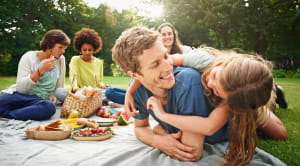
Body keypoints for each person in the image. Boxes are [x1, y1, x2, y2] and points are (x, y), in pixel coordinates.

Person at [124, 45, 288, 165]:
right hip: (230, 91)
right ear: (223, 66)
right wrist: (130, 91)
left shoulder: (231, 98)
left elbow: (208, 127)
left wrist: (162, 116)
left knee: (278, 132)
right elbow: (159, 65)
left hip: (242, 103)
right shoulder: (203, 61)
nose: (209, 82)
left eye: (217, 90)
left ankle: (269, 99)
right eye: (215, 76)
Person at [112, 26, 229, 162]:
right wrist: (157, 140)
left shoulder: (188, 82)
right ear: (134, 74)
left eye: (165, 56)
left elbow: (191, 152)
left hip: (218, 134)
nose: (168, 67)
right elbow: (140, 127)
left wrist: (161, 130)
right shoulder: (137, 89)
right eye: (155, 64)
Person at [105, 22, 192, 105]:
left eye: (169, 34)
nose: (167, 37)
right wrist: (130, 92)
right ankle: (134, 103)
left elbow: (199, 59)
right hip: (151, 87)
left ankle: (135, 103)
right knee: (110, 91)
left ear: (174, 35)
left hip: (174, 89)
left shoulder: (184, 51)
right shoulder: (150, 51)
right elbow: (139, 75)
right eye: (164, 34)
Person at [0, 29, 70, 120]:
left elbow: (59, 86)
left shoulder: (60, 59)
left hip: (38, 101)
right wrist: (40, 71)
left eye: (64, 48)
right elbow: (21, 88)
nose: (63, 51)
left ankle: (7, 115)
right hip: (20, 96)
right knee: (2, 101)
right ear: (49, 45)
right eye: (60, 47)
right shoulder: (29, 57)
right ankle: (19, 112)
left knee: (49, 107)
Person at [55, 28, 110, 102]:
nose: (87, 52)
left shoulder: (99, 62)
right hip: (79, 92)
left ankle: (81, 102)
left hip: (94, 94)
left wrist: (103, 85)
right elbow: (73, 77)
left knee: (110, 92)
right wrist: (76, 88)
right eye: (84, 50)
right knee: (59, 92)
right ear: (80, 50)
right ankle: (89, 102)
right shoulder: (75, 60)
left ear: (94, 49)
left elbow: (99, 81)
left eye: (90, 50)